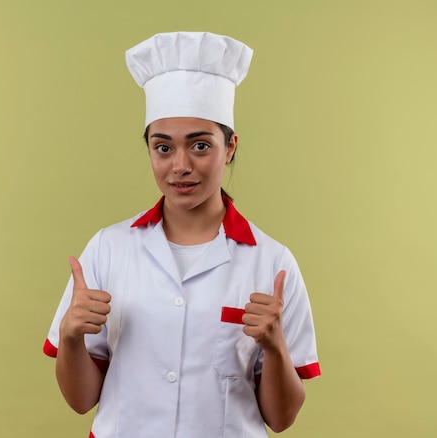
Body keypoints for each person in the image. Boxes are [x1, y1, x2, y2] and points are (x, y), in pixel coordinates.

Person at [43, 31, 320, 438]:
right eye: (163, 148)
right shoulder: (108, 249)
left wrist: (276, 347)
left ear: (230, 147)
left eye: (201, 146)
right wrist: (69, 337)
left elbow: (281, 419)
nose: (180, 166)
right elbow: (82, 401)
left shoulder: (272, 263)